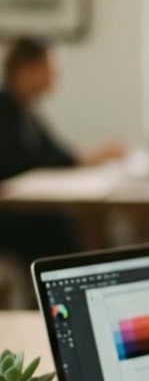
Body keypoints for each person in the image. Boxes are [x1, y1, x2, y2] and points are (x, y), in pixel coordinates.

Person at [0, 36, 126, 265]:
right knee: (61, 227)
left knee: (78, 223)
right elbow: (21, 162)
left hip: (22, 209)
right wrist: (88, 157)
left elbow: (57, 153)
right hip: (8, 213)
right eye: (50, 69)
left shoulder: (27, 110)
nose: (54, 78)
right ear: (26, 68)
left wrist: (89, 156)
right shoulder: (5, 109)